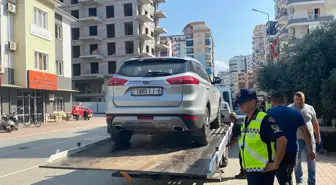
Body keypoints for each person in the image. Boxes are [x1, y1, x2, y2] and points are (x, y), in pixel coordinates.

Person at [236, 88, 288, 185]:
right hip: (250, 171)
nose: (239, 105)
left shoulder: (265, 120)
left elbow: (282, 140)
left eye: (242, 102)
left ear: (253, 102)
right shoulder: (246, 121)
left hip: (262, 172)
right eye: (238, 102)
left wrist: (276, 163)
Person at [267, 92, 316, 185]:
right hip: (292, 150)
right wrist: (311, 150)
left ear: (272, 102)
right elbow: (306, 133)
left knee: (282, 178)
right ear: (284, 101)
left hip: (276, 151)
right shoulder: (295, 113)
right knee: (288, 175)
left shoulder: (268, 114)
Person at [288, 91, 320, 185]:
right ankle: (299, 181)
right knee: (296, 162)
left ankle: (311, 182)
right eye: (297, 99)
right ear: (293, 99)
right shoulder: (289, 109)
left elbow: (315, 123)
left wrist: (318, 136)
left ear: (304, 99)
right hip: (296, 139)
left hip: (310, 140)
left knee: (312, 161)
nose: (298, 101)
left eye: (301, 99)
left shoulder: (310, 108)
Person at [226, 112, 246, 179]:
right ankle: (245, 172)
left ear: (231, 119)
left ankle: (243, 174)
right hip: (249, 142)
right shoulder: (241, 120)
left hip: (244, 144)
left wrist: (228, 145)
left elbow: (235, 139)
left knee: (241, 158)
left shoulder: (235, 126)